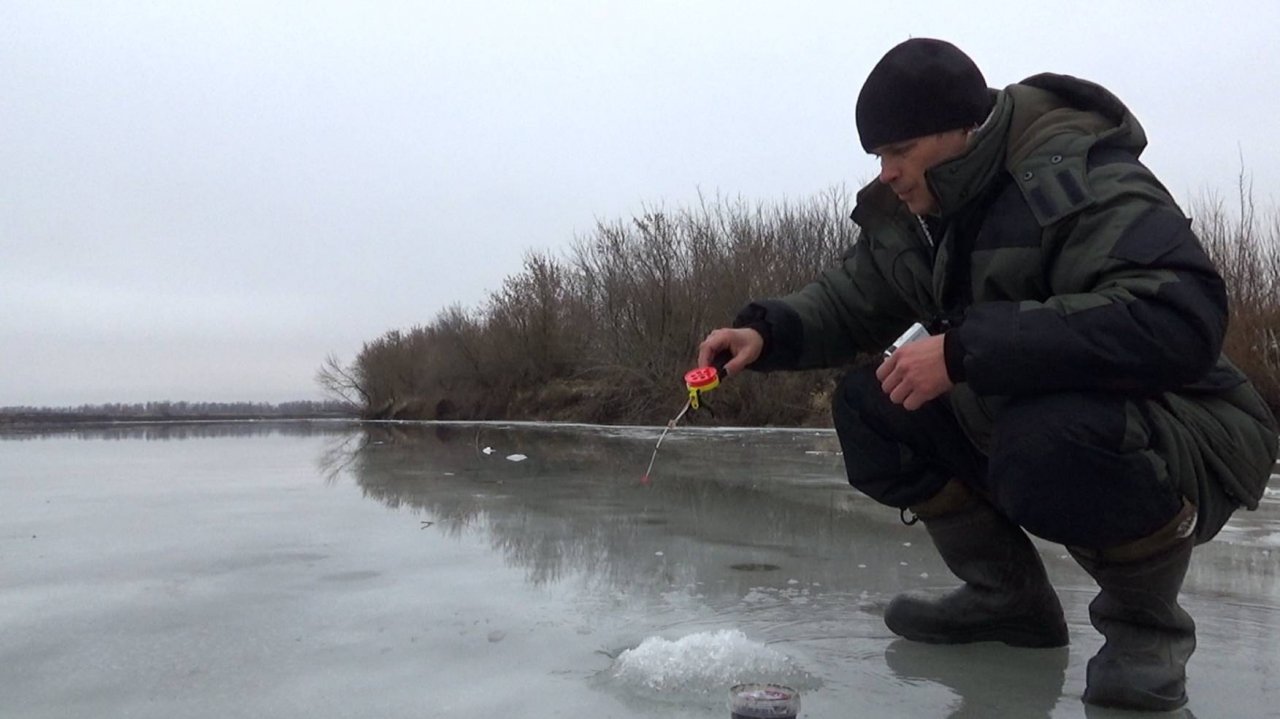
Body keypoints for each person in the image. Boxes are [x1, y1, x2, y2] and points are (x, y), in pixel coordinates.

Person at [697, 38, 1279, 712]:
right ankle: (1008, 600)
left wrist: (963, 349)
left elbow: (1178, 316)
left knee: (1046, 438)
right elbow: (853, 297)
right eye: (878, 157)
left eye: (898, 152)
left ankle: (1146, 634)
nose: (886, 172)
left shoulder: (1075, 176)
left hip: (1190, 428)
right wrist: (765, 331)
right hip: (1046, 411)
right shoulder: (922, 213)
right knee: (873, 404)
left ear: (956, 130)